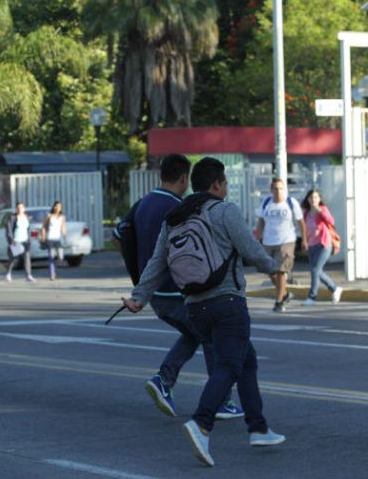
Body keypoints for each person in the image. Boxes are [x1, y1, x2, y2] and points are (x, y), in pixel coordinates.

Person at [122, 157, 286, 467]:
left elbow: (158, 263)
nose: (226, 188)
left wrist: (139, 297)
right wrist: (275, 268)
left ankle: (258, 427)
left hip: (195, 305)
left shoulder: (176, 217)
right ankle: (202, 423)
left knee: (245, 361)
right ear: (217, 185)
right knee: (228, 365)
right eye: (224, 183)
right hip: (227, 303)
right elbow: (251, 250)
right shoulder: (225, 211)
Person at [113, 154, 244, 421]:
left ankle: (165, 380)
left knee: (194, 333)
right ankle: (218, 399)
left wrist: (139, 272)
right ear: (184, 178)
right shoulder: (180, 207)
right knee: (211, 337)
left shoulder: (143, 203)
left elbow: (118, 236)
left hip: (155, 292)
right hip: (177, 290)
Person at [254, 178, 307, 313]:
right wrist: (255, 240)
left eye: (281, 188)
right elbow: (260, 223)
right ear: (271, 190)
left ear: (285, 189)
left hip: (286, 240)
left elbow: (301, 222)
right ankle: (284, 294)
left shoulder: (291, 203)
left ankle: (279, 302)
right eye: (275, 188)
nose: (278, 191)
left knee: (281, 270)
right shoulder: (266, 203)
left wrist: (305, 240)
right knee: (271, 272)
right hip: (269, 241)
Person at [300, 189, 343, 306]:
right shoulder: (306, 213)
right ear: (307, 200)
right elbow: (303, 228)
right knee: (316, 271)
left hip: (324, 244)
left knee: (315, 270)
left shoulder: (323, 210)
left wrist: (320, 211)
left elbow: (331, 221)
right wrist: (304, 241)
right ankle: (334, 288)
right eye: (311, 198)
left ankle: (312, 297)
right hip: (311, 245)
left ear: (319, 199)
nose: (313, 200)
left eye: (315, 197)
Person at [5, 202, 35, 283]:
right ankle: (8, 274)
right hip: (16, 241)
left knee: (27, 258)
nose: (19, 209)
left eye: (21, 208)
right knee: (12, 259)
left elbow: (28, 229)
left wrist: (29, 240)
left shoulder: (26, 217)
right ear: (16, 209)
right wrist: (11, 240)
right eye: (18, 208)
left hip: (25, 241)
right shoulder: (13, 218)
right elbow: (9, 229)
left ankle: (28, 275)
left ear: (24, 209)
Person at [40, 201, 67, 280]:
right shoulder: (49, 216)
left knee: (61, 257)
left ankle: (54, 267)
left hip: (58, 239)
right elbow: (44, 227)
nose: (58, 208)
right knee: (51, 256)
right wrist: (43, 236)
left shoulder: (62, 217)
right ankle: (52, 274)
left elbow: (63, 227)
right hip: (50, 238)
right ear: (54, 207)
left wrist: (64, 236)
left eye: (59, 206)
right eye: (56, 206)